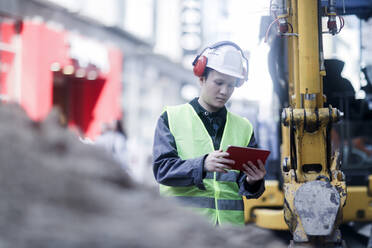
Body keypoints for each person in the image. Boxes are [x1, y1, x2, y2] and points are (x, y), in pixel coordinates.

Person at [152, 41, 266, 226]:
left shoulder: (244, 127)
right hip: (183, 230)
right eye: (219, 83)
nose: (224, 91)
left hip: (229, 233)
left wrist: (254, 181)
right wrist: (202, 164)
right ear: (201, 78)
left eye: (231, 85)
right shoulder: (171, 118)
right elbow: (163, 170)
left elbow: (244, 185)